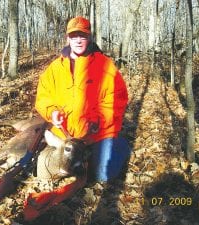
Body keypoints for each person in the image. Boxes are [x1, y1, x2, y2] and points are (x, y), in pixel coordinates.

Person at [35, 16, 130, 182]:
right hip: (65, 137)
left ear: (89, 37)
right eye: (74, 36)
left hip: (95, 135)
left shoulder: (105, 66)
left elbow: (117, 99)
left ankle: (120, 146)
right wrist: (52, 112)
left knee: (101, 175)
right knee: (44, 171)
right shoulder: (55, 68)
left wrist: (97, 120)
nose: (78, 40)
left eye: (83, 36)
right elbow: (43, 97)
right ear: (67, 38)